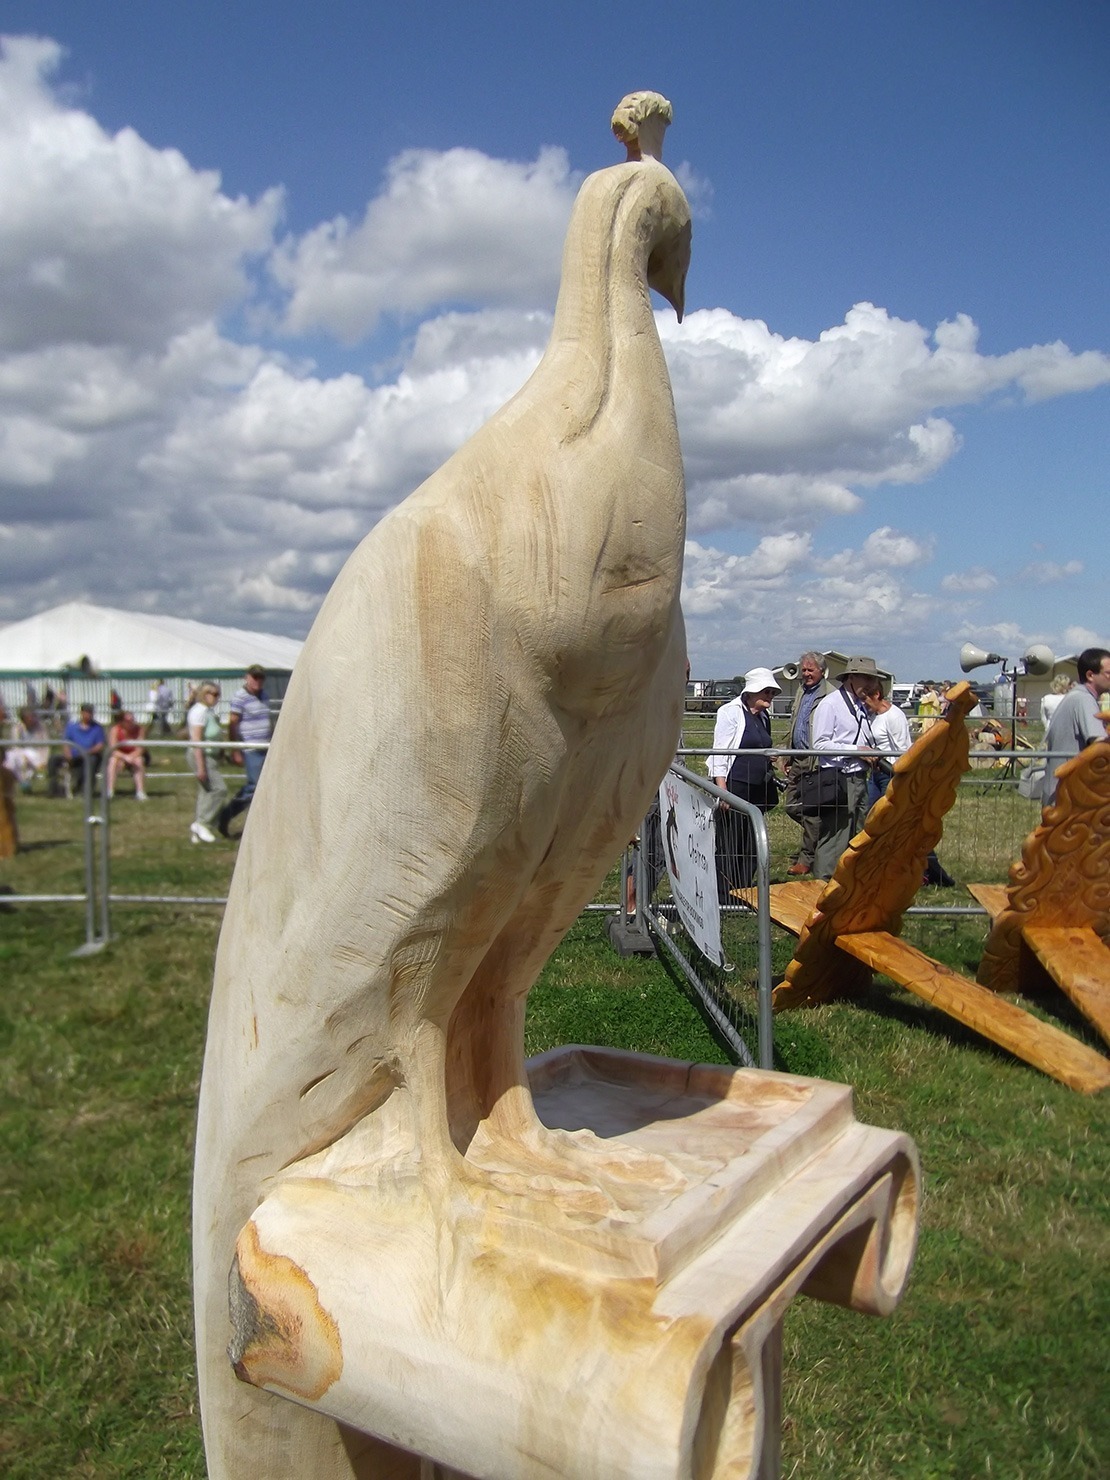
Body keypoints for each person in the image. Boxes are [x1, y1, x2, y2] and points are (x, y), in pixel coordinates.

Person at [709, 667, 781, 897]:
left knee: (751, 841)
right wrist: (722, 790)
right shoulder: (729, 712)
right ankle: (723, 891)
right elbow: (720, 751)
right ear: (751, 692)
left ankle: (742, 889)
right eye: (765, 691)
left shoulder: (763, 716)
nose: (770, 695)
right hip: (736, 785)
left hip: (758, 788)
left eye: (772, 691)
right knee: (731, 840)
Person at [810, 656, 879, 880]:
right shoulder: (831, 705)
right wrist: (857, 750)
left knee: (855, 833)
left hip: (858, 777)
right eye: (865, 678)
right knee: (835, 836)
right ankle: (823, 885)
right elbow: (819, 745)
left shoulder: (860, 706)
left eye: (872, 679)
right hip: (837, 778)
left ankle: (845, 884)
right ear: (850, 677)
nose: (870, 684)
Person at [783, 651, 834, 876]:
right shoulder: (801, 692)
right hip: (798, 757)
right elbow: (794, 724)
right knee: (791, 806)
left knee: (811, 811)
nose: (805, 674)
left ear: (821, 671)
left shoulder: (830, 694)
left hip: (815, 761)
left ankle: (807, 858)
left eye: (810, 670)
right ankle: (824, 837)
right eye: (803, 670)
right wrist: (786, 755)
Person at [1041, 648, 1110, 806]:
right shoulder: (1084, 700)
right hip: (1069, 796)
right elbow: (1100, 746)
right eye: (1108, 673)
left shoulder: (1077, 697)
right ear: (1090, 675)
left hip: (1062, 792)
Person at [218, 665, 272, 837]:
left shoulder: (264, 696)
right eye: (254, 677)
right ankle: (226, 815)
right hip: (250, 748)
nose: (257, 681)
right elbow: (233, 723)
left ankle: (260, 826)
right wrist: (235, 749)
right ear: (246, 677)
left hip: (265, 747)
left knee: (263, 788)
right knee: (253, 787)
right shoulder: (240, 697)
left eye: (260, 678)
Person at [858, 676, 912, 808]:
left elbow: (903, 748)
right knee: (868, 811)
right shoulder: (871, 715)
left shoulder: (894, 716)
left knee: (886, 813)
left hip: (891, 774)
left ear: (876, 694)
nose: (863, 703)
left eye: (865, 699)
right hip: (875, 772)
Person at [187, 682, 227, 844]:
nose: (217, 698)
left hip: (211, 755)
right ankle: (203, 823)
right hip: (202, 755)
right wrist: (201, 766)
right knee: (219, 789)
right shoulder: (199, 712)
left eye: (219, 694)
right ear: (205, 694)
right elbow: (197, 740)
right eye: (214, 694)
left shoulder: (208, 712)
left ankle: (197, 833)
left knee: (206, 792)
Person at [48, 703, 106, 797]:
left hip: (88, 755)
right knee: (53, 759)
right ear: (81, 713)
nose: (89, 715)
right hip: (72, 755)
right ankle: (54, 788)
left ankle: (86, 790)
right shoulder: (72, 727)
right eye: (86, 712)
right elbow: (66, 742)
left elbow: (100, 745)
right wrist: (67, 753)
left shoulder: (97, 728)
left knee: (92, 760)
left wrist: (86, 752)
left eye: (90, 713)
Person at [106, 710, 148, 800]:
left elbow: (141, 748)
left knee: (139, 761)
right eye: (128, 721)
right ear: (122, 721)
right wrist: (125, 757)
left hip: (134, 755)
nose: (131, 722)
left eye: (132, 720)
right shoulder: (115, 730)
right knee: (112, 761)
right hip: (119, 756)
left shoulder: (139, 729)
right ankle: (110, 791)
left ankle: (140, 792)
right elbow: (113, 749)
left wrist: (132, 756)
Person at [6, 706, 50, 791]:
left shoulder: (40, 728)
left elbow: (46, 746)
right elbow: (15, 745)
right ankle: (20, 781)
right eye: (28, 718)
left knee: (22, 757)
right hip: (21, 754)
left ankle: (22, 781)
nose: (31, 719)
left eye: (32, 717)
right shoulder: (17, 728)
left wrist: (44, 761)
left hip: (36, 754)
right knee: (11, 756)